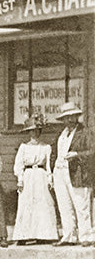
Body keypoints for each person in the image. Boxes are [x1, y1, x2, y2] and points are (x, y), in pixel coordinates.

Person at [52, 102, 95, 246]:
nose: (69, 120)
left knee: (81, 205)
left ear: (77, 117)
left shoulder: (85, 132)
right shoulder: (62, 134)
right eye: (66, 117)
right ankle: (69, 236)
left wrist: (76, 154)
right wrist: (52, 171)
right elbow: (55, 153)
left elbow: (92, 152)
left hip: (78, 173)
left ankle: (86, 236)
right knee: (64, 205)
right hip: (60, 172)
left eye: (72, 116)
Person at [12, 119, 58, 244]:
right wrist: (20, 179)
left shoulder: (46, 147)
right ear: (28, 132)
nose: (35, 134)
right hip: (28, 176)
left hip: (41, 176)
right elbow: (18, 164)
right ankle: (24, 236)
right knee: (26, 203)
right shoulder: (24, 147)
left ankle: (44, 235)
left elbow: (48, 165)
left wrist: (50, 179)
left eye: (37, 131)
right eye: (32, 131)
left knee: (43, 203)